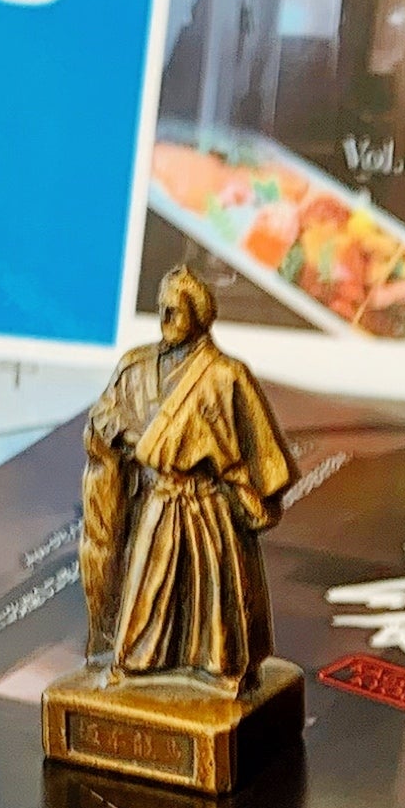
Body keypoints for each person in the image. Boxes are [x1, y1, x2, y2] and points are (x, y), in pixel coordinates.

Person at [78, 269, 296, 693]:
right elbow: (104, 413)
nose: (164, 319)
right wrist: (132, 437)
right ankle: (135, 665)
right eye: (160, 309)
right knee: (147, 593)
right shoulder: (137, 366)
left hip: (208, 505)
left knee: (212, 599)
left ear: (198, 314)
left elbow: (265, 455)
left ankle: (220, 670)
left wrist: (246, 488)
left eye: (174, 311)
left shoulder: (226, 374)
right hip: (159, 498)